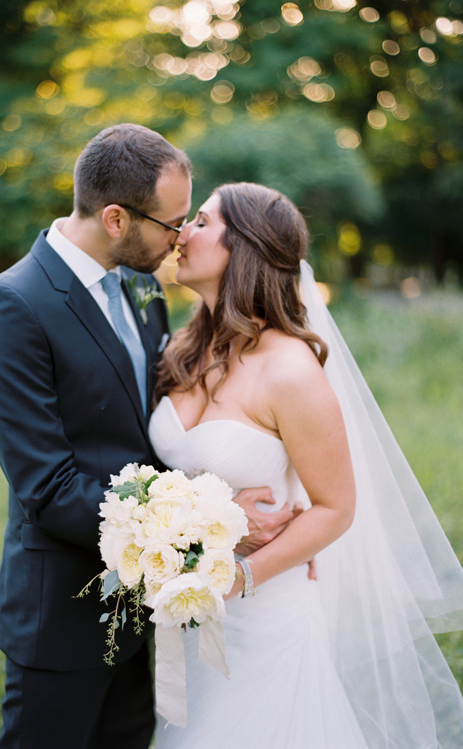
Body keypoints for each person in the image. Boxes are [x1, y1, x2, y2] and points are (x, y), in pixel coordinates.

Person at [0, 125, 293, 749]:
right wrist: (209, 527)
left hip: (147, 607)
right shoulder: (13, 306)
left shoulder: (142, 290)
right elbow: (49, 486)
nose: (181, 239)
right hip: (63, 611)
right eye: (172, 224)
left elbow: (153, 438)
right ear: (116, 218)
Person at [148, 182, 463, 748]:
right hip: (184, 611)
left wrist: (237, 577)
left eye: (200, 220)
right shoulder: (183, 347)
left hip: (261, 616)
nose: (182, 233)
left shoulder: (289, 370)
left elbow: (337, 507)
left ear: (243, 247)